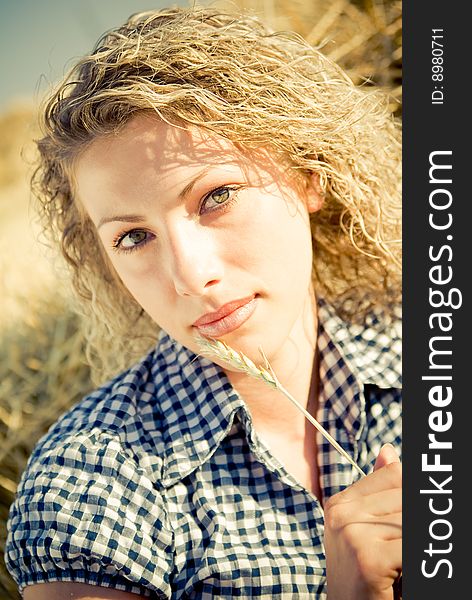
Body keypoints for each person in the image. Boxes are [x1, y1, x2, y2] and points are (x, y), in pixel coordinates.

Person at [5, 6, 402, 599]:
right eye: (134, 237)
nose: (190, 276)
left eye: (216, 197)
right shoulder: (92, 485)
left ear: (308, 174)